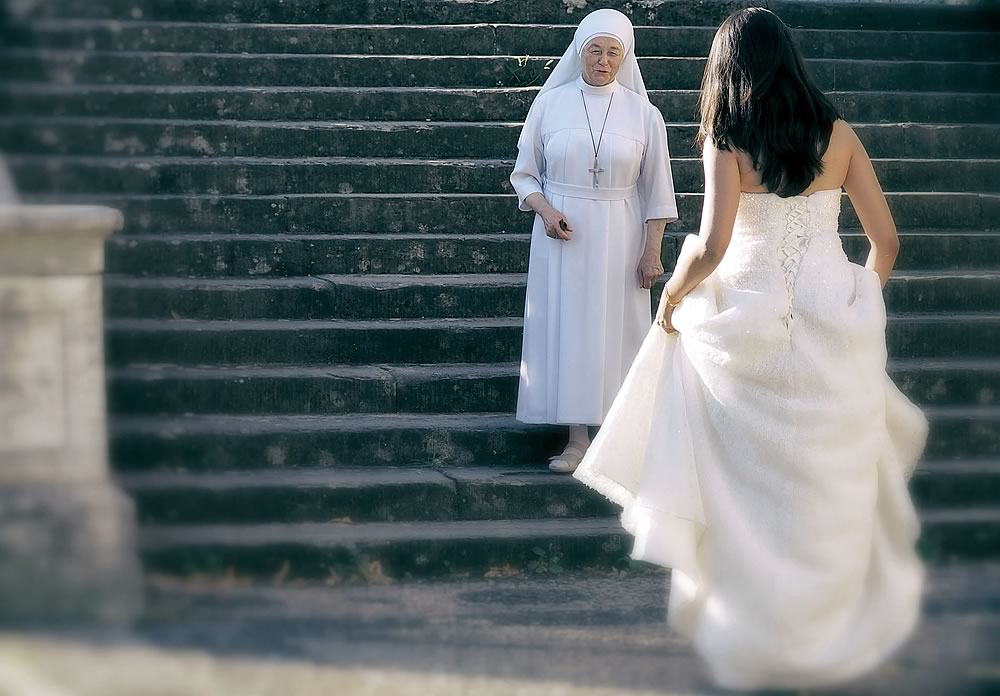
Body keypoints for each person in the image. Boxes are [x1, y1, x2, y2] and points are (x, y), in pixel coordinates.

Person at [573, 8, 928, 691]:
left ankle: (755, 628)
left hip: (746, 317)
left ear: (728, 67)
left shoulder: (727, 138)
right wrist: (859, 299)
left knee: (744, 485)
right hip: (833, 318)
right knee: (823, 484)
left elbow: (711, 246)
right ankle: (821, 631)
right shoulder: (840, 134)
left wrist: (673, 298)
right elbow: (887, 242)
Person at [510, 9, 678, 473]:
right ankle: (577, 437)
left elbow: (657, 191)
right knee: (570, 329)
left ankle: (621, 437)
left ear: (625, 57)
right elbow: (524, 176)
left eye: (613, 52)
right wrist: (546, 213)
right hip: (561, 236)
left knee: (617, 330)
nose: (603, 61)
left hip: (621, 234)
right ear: (579, 51)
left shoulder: (646, 114)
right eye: (595, 50)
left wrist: (651, 252)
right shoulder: (550, 104)